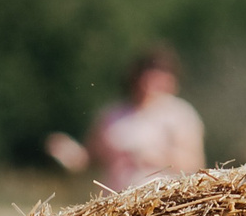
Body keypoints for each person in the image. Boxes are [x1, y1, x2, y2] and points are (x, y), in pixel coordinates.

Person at [47, 47, 207, 192]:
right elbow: (88, 158)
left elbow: (195, 165)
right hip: (115, 202)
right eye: (147, 77)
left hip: (162, 205)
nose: (150, 84)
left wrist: (155, 157)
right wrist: (68, 153)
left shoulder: (180, 115)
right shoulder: (113, 115)